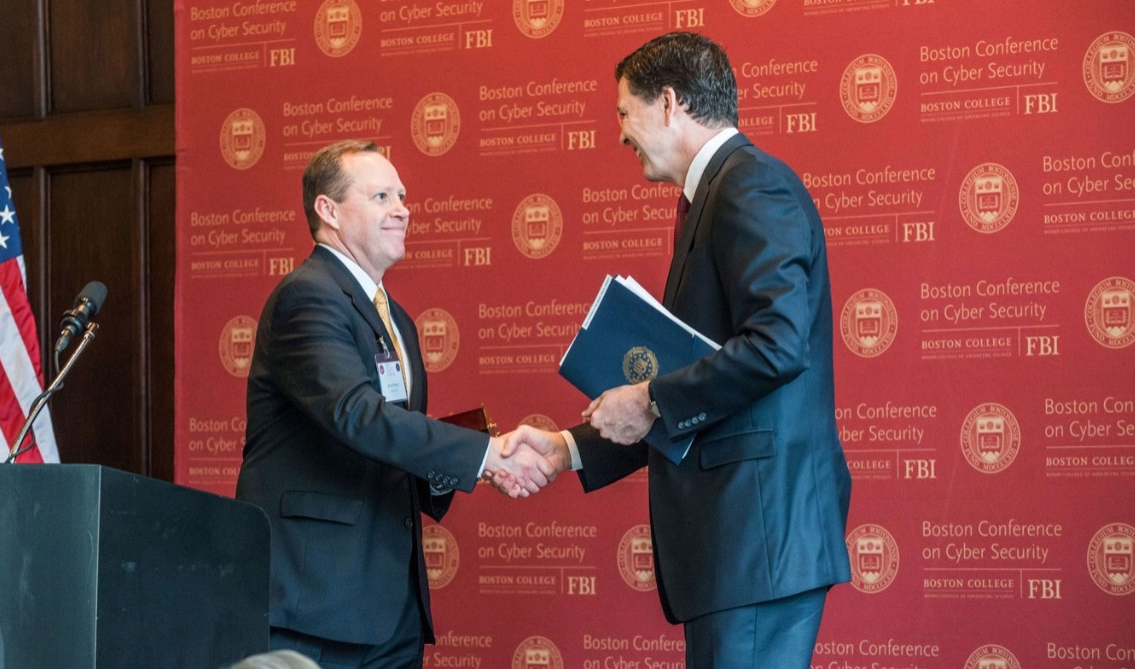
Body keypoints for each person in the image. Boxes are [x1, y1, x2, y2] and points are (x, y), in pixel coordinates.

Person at [503, 32, 852, 669]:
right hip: (742, 549)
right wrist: (568, 449)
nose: (620, 135)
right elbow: (701, 376)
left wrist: (650, 398)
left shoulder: (748, 186)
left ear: (668, 104)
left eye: (622, 113)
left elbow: (776, 346)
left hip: (758, 539)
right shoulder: (716, 193)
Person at [236, 139, 556, 669]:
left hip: (390, 605)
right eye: (382, 195)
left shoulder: (397, 319)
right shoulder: (307, 296)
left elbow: (394, 434)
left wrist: (455, 465)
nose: (402, 209)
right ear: (329, 211)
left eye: (402, 195)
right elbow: (357, 416)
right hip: (313, 601)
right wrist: (486, 455)